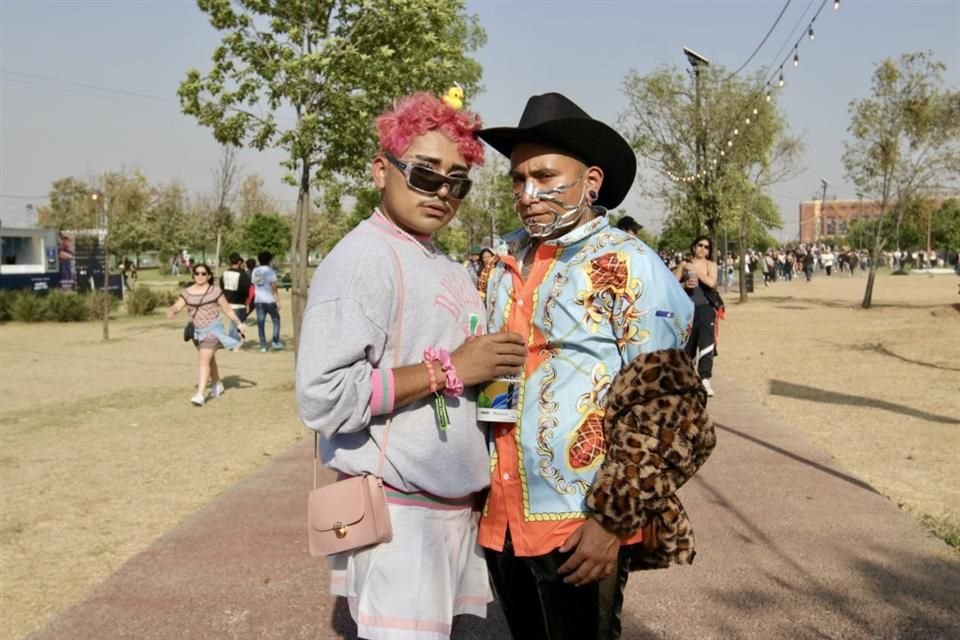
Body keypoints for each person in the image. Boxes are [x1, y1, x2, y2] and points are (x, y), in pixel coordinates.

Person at [295, 92, 526, 640]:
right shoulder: (362, 260)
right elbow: (322, 396)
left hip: (448, 507)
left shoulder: (438, 258)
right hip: (400, 517)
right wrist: (450, 370)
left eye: (457, 181)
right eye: (424, 174)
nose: (442, 192)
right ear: (382, 171)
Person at [475, 92, 696, 640]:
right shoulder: (504, 264)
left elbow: (667, 410)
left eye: (545, 176)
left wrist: (610, 520)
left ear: (590, 181)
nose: (527, 194)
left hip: (581, 519)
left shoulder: (627, 264)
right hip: (501, 514)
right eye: (517, 179)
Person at [166, 263, 246, 406]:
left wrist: (239, 324)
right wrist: (172, 310)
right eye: (197, 273)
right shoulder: (187, 292)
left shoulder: (215, 291)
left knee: (203, 359)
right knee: (209, 359)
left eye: (203, 273)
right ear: (193, 275)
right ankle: (217, 384)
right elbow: (178, 305)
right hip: (197, 332)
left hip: (214, 330)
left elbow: (227, 310)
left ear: (209, 276)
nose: (200, 276)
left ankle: (200, 395)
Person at [673, 235, 720, 397]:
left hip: (706, 308)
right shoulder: (684, 265)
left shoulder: (711, 265)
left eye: (707, 247)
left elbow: (712, 283)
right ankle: (687, 378)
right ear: (694, 247)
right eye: (700, 245)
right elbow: (671, 284)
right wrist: (684, 283)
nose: (703, 249)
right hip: (687, 309)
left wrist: (697, 271)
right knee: (688, 344)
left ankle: (705, 378)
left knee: (707, 343)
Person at [251, 251, 283, 352]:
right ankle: (275, 341)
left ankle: (263, 345)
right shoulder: (270, 271)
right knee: (276, 320)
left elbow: (254, 284)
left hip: (258, 300)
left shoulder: (255, 271)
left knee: (261, 323)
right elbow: (273, 286)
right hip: (269, 299)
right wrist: (277, 299)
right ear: (269, 260)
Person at [219, 252, 252, 344]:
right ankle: (233, 342)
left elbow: (222, 286)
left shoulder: (225, 273)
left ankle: (232, 341)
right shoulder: (242, 274)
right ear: (239, 262)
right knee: (238, 323)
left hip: (227, 302)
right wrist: (247, 302)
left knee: (233, 323)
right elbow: (246, 289)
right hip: (239, 303)